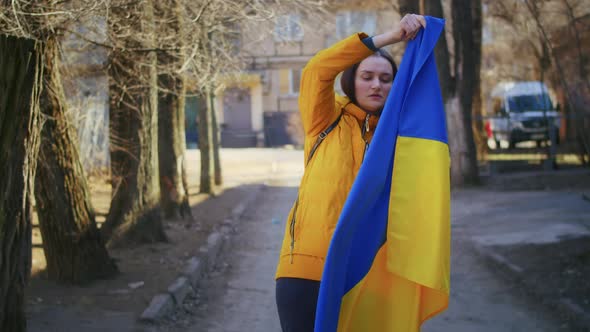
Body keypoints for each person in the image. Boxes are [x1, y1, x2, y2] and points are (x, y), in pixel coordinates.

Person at [275, 13, 427, 332]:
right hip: (306, 269)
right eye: (367, 76)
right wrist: (390, 37)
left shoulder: (398, 138)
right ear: (351, 80)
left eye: (386, 80)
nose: (376, 85)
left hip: (366, 274)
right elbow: (317, 70)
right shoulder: (326, 119)